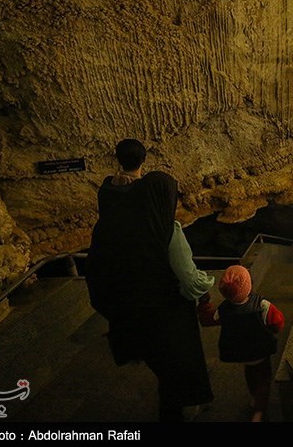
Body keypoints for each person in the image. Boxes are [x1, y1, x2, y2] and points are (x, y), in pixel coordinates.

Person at [85, 138, 213, 422]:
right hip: (163, 311)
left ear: (117, 158)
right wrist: (206, 289)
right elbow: (189, 279)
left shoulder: (111, 213)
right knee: (174, 368)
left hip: (128, 308)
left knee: (157, 360)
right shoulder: (165, 229)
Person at [197, 265, 285, 422]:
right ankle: (259, 409)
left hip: (241, 353)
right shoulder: (262, 305)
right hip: (260, 351)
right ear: (248, 285)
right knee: (264, 378)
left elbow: (206, 320)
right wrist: (272, 331)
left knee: (250, 374)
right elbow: (278, 322)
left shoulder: (223, 310)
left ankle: (253, 397)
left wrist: (204, 304)